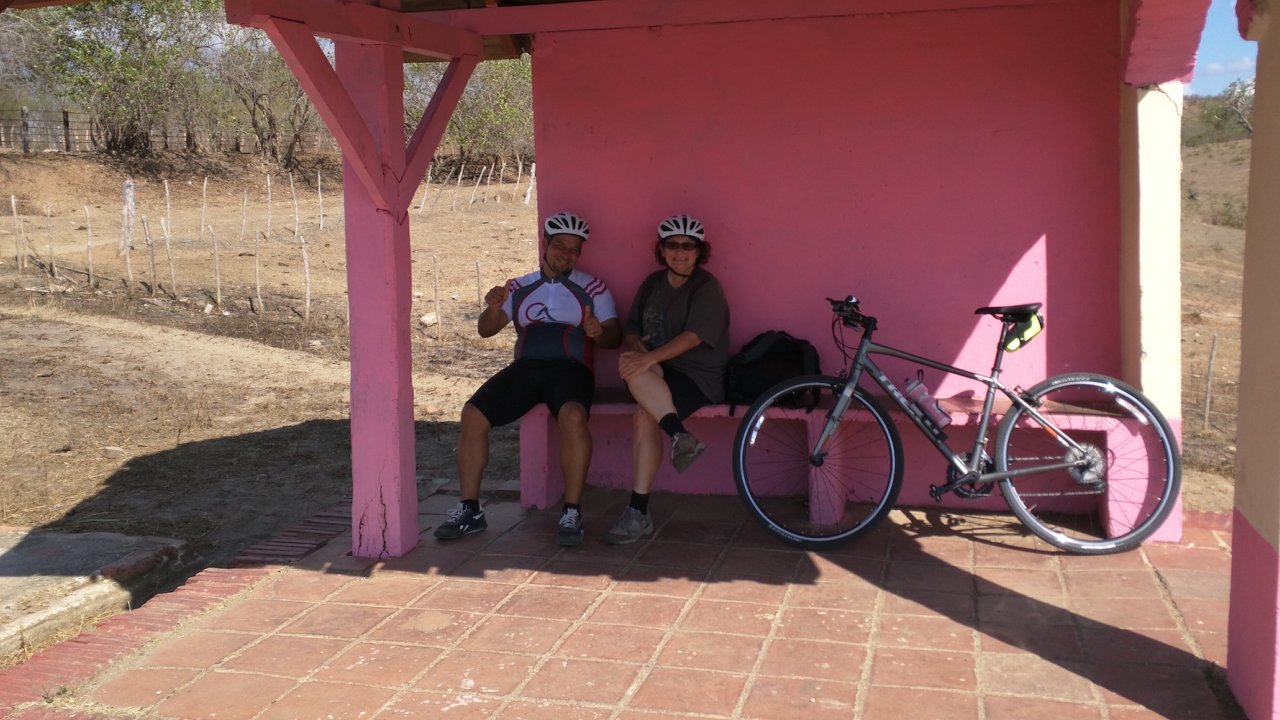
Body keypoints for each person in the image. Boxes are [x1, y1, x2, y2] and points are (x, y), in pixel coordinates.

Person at [435, 211, 622, 546]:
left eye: (575, 249)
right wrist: (494, 307)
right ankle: (470, 510)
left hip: (572, 369)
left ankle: (572, 512)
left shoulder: (592, 287)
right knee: (473, 414)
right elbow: (486, 331)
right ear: (545, 244)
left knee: (573, 416)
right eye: (560, 245)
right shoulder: (519, 286)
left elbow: (614, 336)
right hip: (527, 368)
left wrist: (599, 332)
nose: (566, 253)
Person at [607, 214, 730, 545]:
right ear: (661, 250)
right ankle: (680, 437)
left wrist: (648, 358)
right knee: (630, 363)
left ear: (699, 252)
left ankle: (638, 511)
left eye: (688, 246)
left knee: (645, 413)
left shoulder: (706, 287)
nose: (680, 252)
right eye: (672, 245)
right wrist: (638, 350)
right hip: (657, 368)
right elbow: (632, 329)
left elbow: (693, 337)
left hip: (698, 375)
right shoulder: (652, 284)